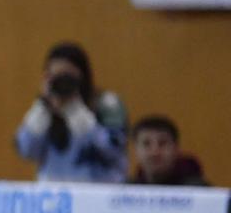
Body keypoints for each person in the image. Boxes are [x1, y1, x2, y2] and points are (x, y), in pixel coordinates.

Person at [14, 41, 126, 183]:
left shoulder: (107, 103)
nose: (63, 82)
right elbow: (26, 150)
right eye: (57, 76)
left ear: (82, 75)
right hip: (54, 195)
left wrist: (75, 111)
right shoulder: (43, 110)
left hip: (98, 194)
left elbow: (113, 150)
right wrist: (43, 106)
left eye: (67, 76)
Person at [128, 115, 208, 186]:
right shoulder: (125, 191)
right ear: (135, 149)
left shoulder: (199, 190)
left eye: (162, 143)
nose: (155, 152)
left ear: (175, 149)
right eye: (146, 144)